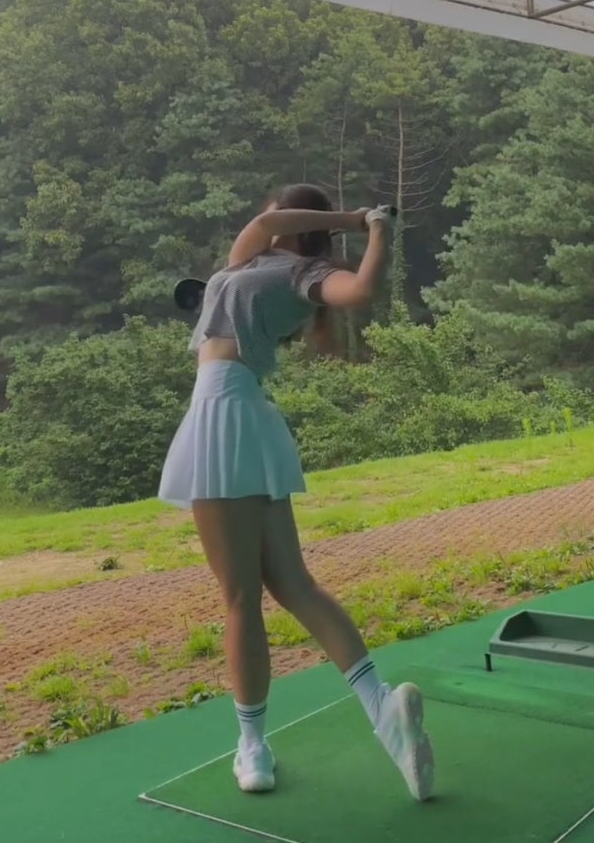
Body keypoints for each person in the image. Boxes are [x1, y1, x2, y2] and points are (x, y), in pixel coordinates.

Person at [159, 184, 434, 801]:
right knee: (291, 584)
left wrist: (375, 230)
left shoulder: (306, 274)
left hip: (222, 414)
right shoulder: (249, 259)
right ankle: (382, 710)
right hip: (244, 416)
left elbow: (361, 291)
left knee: (241, 597)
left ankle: (252, 746)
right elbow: (268, 224)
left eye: (277, 209)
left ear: (294, 221)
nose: (268, 217)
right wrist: (356, 219)